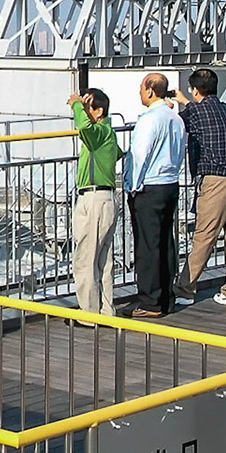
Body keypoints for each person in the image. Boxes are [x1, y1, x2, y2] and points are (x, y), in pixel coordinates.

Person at [171, 67, 226, 306]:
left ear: (195, 90)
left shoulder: (195, 111)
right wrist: (187, 101)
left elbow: (178, 123)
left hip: (215, 181)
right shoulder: (225, 109)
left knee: (204, 235)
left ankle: (185, 289)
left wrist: (180, 103)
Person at [124, 72, 188, 318]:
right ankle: (166, 297)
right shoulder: (175, 119)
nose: (140, 92)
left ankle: (150, 301)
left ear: (150, 90)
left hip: (149, 186)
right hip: (170, 183)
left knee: (148, 246)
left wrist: (132, 186)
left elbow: (140, 155)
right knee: (165, 242)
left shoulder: (149, 120)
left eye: (142, 87)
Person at [66, 87, 124, 315]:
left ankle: (89, 313)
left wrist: (76, 104)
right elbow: (117, 153)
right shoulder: (108, 134)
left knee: (85, 259)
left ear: (98, 112)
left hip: (93, 199)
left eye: (88, 106)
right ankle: (107, 310)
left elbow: (84, 127)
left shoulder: (98, 133)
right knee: (104, 260)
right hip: (107, 198)